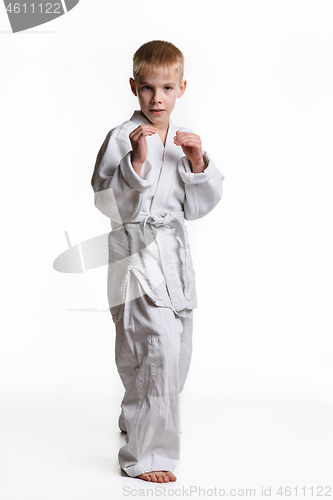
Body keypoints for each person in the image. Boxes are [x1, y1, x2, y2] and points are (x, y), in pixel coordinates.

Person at [91, 40, 225, 483]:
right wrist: (136, 162)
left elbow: (195, 206)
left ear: (181, 88)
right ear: (134, 87)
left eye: (167, 88)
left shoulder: (183, 139)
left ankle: (141, 417)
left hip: (173, 259)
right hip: (134, 257)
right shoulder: (121, 137)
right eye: (148, 88)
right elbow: (107, 202)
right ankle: (148, 455)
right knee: (155, 351)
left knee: (175, 351)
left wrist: (198, 162)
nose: (157, 98)